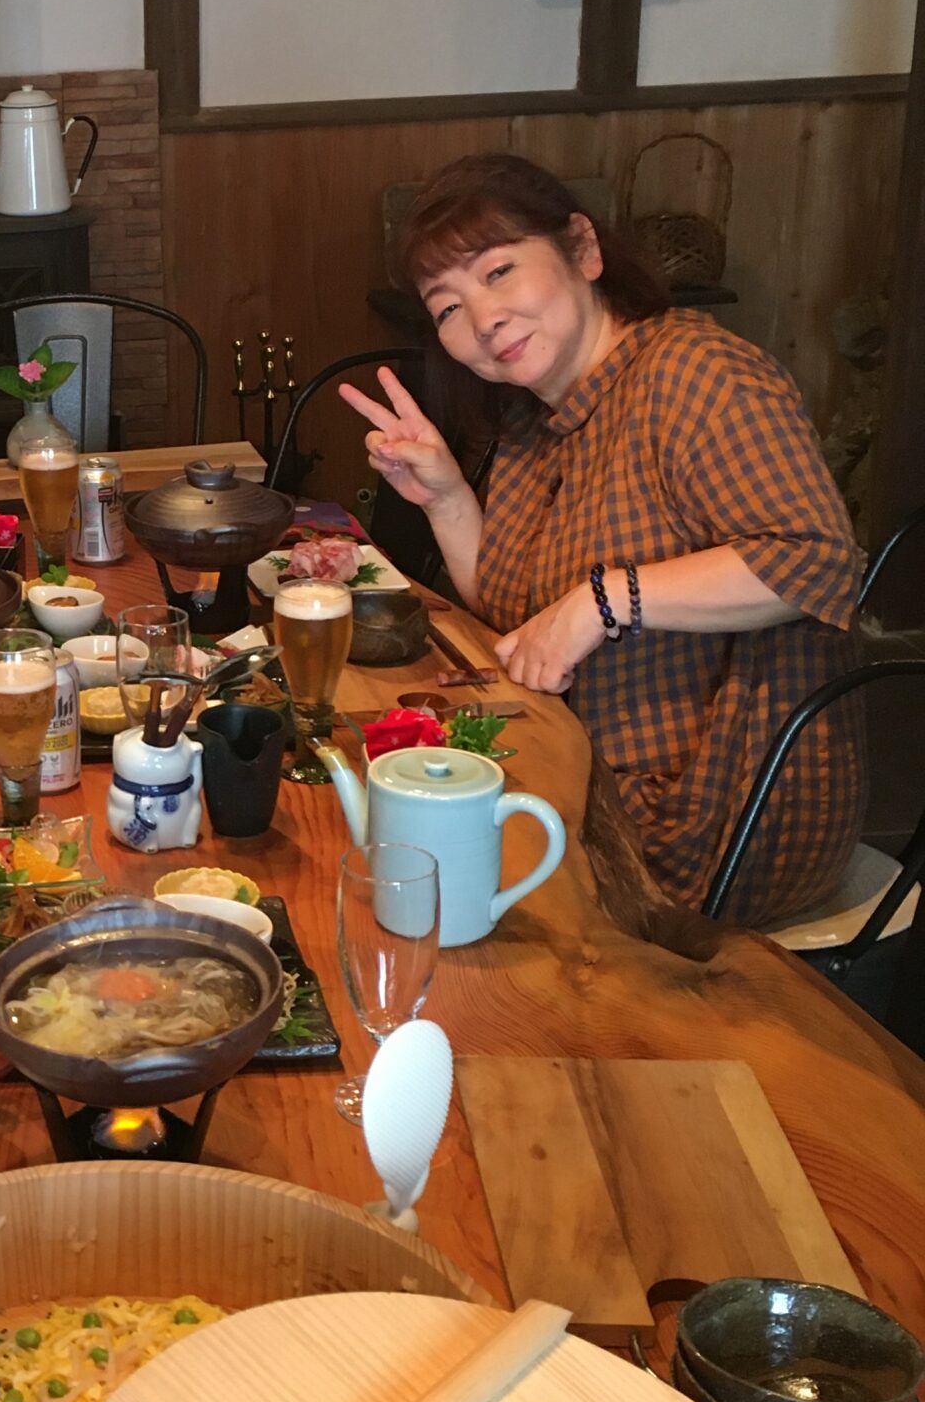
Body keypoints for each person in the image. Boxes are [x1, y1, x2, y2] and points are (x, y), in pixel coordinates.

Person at [340, 152, 862, 928]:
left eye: (499, 272)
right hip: (581, 776)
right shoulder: (535, 419)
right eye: (447, 308)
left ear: (583, 249)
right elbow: (518, 615)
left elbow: (817, 562)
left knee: (391, 870)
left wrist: (605, 602)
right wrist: (446, 497)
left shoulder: (695, 373)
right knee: (356, 814)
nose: (483, 320)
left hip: (707, 821)